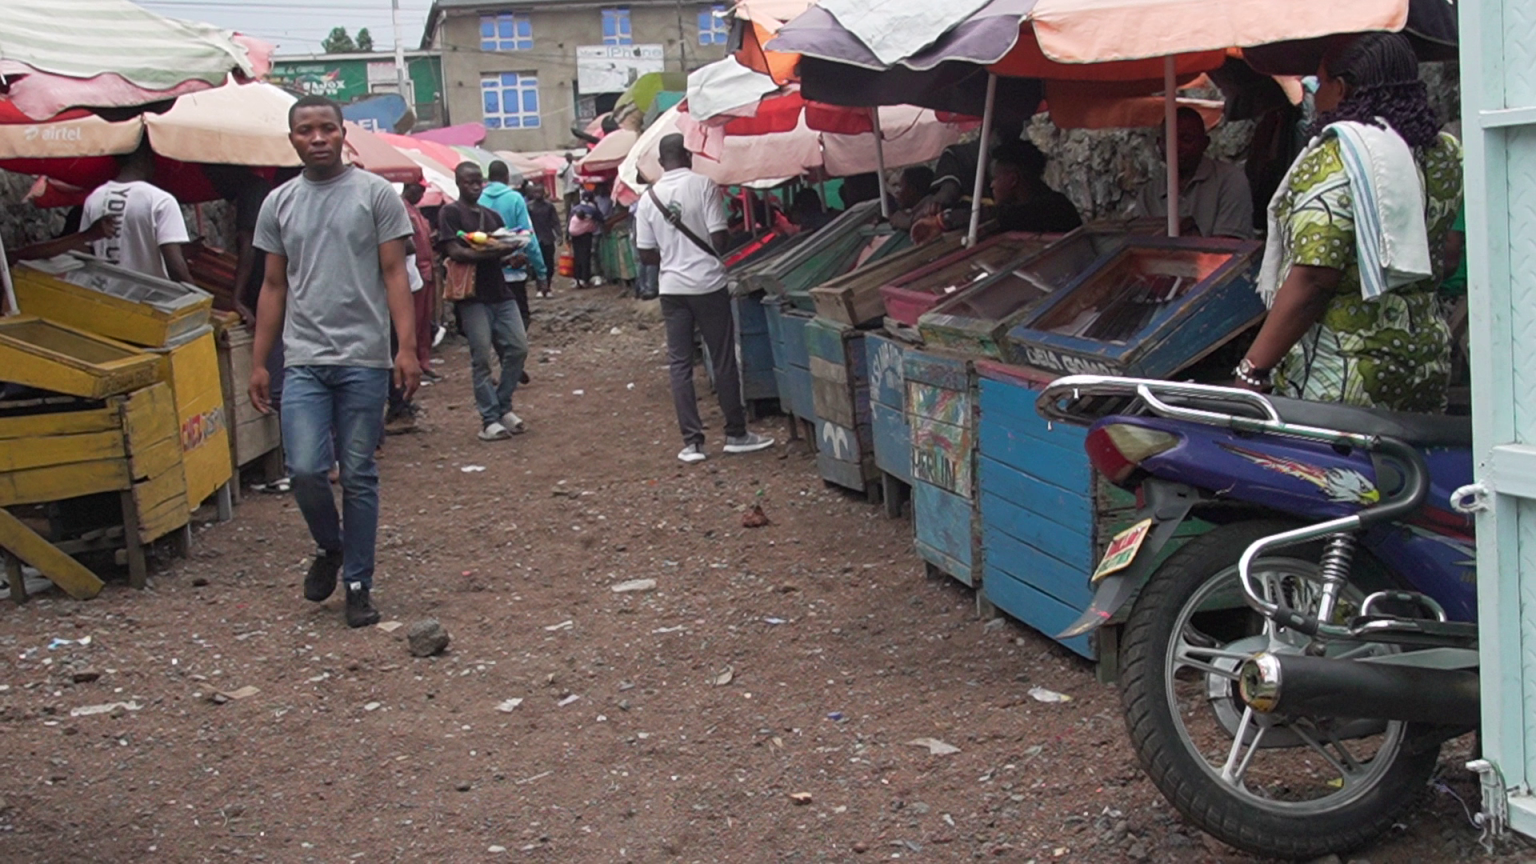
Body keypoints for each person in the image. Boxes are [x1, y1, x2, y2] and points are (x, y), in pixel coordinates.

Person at [248, 94, 420, 628]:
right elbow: (273, 285)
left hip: (364, 358)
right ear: (292, 139)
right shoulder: (279, 203)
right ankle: (331, 545)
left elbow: (395, 273)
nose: (318, 138)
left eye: (327, 128)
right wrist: (259, 361)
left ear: (344, 134)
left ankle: (359, 584)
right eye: (306, 130)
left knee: (359, 473)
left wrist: (406, 347)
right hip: (303, 358)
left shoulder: (375, 195)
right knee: (304, 469)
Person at [1235, 33, 1461, 413]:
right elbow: (1451, 251)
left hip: (1342, 375)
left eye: (1320, 83)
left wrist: (1253, 368)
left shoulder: (1337, 157)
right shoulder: (1446, 154)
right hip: (1425, 363)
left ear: (1341, 88)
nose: (1316, 95)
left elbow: (1313, 279)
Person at [635, 133, 776, 464]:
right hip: (708, 285)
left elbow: (645, 254)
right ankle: (736, 434)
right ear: (688, 156)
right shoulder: (704, 185)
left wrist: (672, 256)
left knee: (680, 364)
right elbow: (719, 239)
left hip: (672, 290)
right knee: (723, 358)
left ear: (661, 163)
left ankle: (693, 443)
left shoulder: (648, 198)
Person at [440, 162, 531, 441]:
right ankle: (489, 418)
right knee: (481, 358)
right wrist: (495, 252)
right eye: (469, 182)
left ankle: (502, 405)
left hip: (500, 291)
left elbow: (502, 249)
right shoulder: (450, 213)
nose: (475, 186)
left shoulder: (492, 217)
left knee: (518, 348)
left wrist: (511, 255)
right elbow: (455, 252)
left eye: (478, 181)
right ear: (458, 183)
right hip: (472, 297)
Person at [79, 142, 193, 283]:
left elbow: (86, 252)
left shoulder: (94, 198)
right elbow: (176, 268)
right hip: (149, 294)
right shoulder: (161, 201)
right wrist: (197, 293)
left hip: (103, 293)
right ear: (146, 157)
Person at [1134, 107, 1255, 239]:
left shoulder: (1230, 181)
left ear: (1205, 143)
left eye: (1186, 139)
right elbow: (1141, 244)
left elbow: (1227, 244)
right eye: (1169, 139)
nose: (1176, 147)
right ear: (1159, 144)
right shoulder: (1148, 195)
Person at [480, 161, 547, 329]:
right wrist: (541, 272)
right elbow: (528, 237)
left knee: (492, 320)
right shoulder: (515, 199)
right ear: (506, 177)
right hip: (514, 271)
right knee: (519, 318)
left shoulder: (478, 199)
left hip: (486, 271)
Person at [990, 139, 1083, 233]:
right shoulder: (1059, 203)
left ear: (1013, 180)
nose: (991, 185)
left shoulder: (1044, 212)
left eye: (994, 178)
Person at [401, 182, 440, 382]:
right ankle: (414, 363)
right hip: (414, 272)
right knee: (414, 321)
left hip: (427, 271)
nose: (422, 194)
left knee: (425, 321)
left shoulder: (416, 211)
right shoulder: (401, 209)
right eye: (419, 190)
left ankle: (424, 361)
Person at [524, 181, 560, 298]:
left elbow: (555, 221)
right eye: (535, 192)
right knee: (536, 264)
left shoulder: (549, 206)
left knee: (549, 264)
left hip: (548, 238)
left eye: (540, 192)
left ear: (544, 193)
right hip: (535, 239)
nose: (537, 194)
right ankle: (539, 287)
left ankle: (547, 287)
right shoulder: (529, 207)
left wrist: (559, 234)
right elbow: (526, 223)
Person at [568, 191, 601, 289]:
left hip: (574, 235)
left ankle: (577, 278)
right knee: (585, 256)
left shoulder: (574, 209)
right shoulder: (592, 209)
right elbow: (601, 218)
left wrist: (567, 236)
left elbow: (569, 222)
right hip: (586, 235)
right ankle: (585, 279)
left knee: (577, 256)